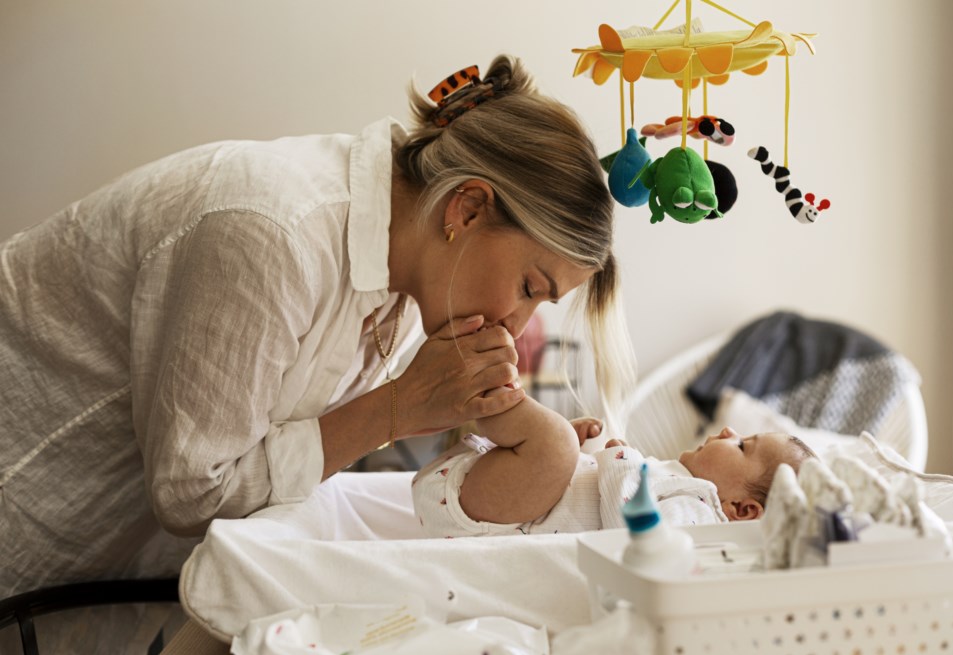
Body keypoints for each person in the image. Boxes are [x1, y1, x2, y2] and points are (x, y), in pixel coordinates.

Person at [0, 53, 635, 603]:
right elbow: (193, 493)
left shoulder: (412, 282)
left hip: (114, 556)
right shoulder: (270, 235)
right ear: (466, 208)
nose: (514, 322)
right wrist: (398, 408)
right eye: (529, 288)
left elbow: (283, 443)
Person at [412, 387, 816, 537]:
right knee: (557, 442)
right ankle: (466, 398)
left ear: (742, 510)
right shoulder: (680, 483)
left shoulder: (700, 516)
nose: (729, 432)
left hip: (494, 514)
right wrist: (584, 453)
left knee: (551, 439)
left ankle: (471, 390)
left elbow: (632, 531)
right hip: (489, 492)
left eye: (744, 446)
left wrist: (620, 458)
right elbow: (586, 499)